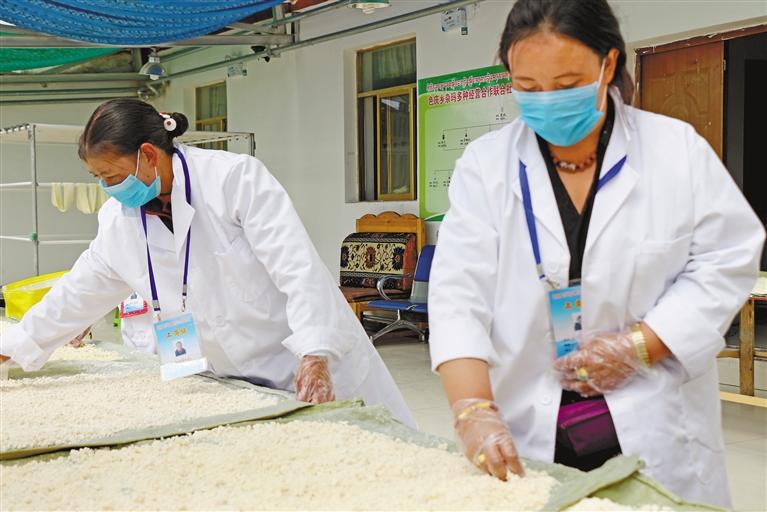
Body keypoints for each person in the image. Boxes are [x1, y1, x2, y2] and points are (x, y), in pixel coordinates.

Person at [428, 0, 765, 507]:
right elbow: (458, 292)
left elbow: (727, 259)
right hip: (529, 424)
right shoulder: (486, 166)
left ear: (608, 64)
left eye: (566, 85)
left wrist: (642, 346)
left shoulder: (675, 150)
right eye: (528, 87)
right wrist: (472, 409)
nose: (547, 101)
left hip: (653, 421)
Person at [0, 98, 414, 427]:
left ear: (148, 154)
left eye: (112, 175)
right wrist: (13, 347)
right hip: (226, 379)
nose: (109, 188)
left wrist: (314, 352)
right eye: (99, 179)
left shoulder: (234, 180)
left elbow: (298, 268)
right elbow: (78, 292)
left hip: (301, 366)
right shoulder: (118, 221)